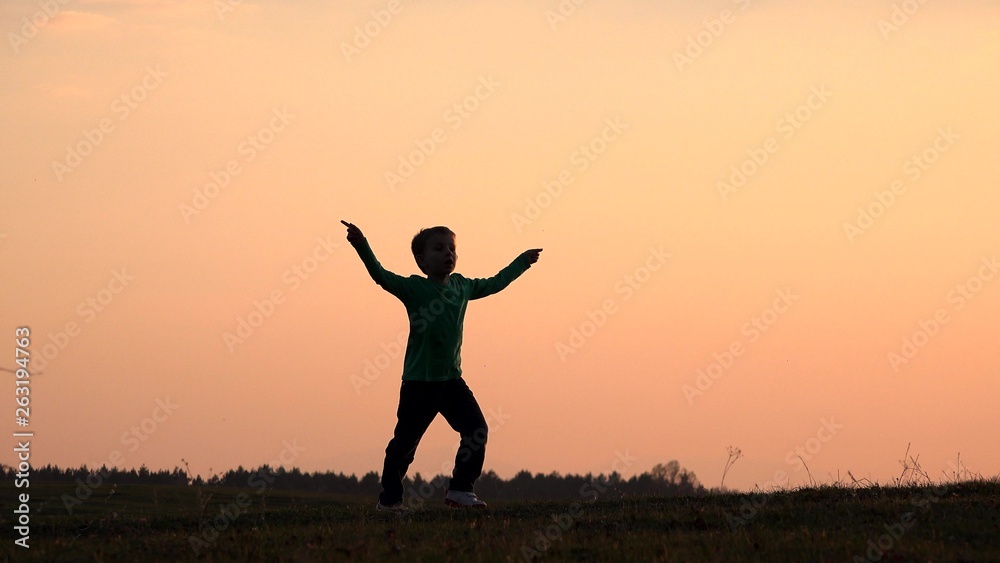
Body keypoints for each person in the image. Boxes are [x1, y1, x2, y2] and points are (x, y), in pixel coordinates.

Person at [341, 220, 541, 511]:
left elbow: (495, 283)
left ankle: (460, 490)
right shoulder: (413, 288)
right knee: (403, 447)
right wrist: (361, 243)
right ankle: (389, 501)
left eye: (452, 248)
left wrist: (521, 263)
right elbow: (381, 276)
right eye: (439, 248)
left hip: (451, 382)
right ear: (421, 261)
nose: (448, 253)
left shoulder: (462, 286)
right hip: (419, 384)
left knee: (476, 430)